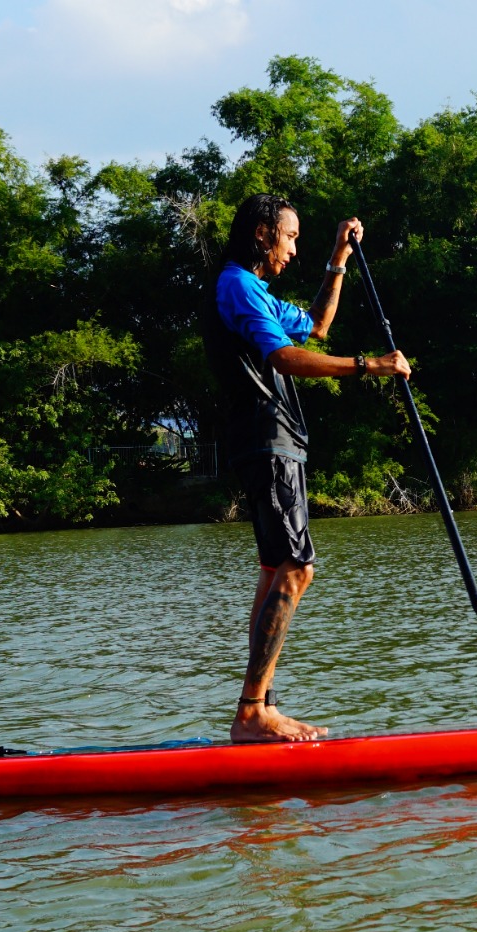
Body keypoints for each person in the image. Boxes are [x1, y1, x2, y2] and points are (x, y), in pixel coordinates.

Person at [205, 194, 409, 743]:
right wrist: (369, 366)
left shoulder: (260, 294)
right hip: (266, 439)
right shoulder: (237, 286)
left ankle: (261, 707)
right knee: (296, 567)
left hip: (277, 442)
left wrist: (337, 258)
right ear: (261, 236)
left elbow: (316, 328)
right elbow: (282, 357)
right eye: (289, 237)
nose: (293, 248)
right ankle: (251, 711)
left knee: (278, 570)